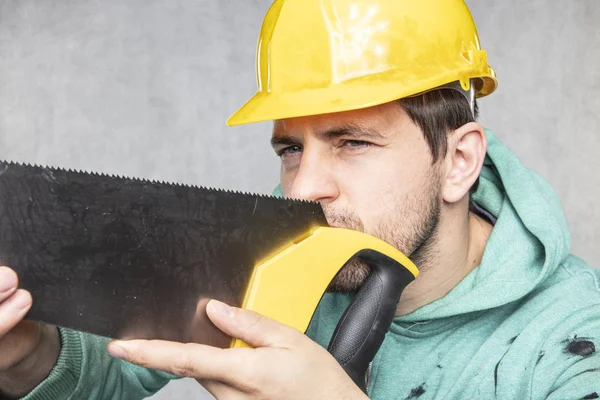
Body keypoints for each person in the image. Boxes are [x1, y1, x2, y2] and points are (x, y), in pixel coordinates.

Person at [1, 0, 599, 399]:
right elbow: (116, 367)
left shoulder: (576, 339)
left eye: (353, 142)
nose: (306, 188)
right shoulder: (277, 252)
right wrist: (23, 353)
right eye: (291, 149)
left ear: (458, 161)